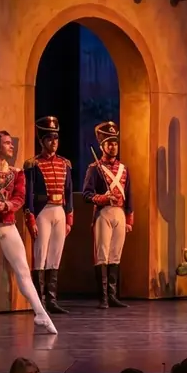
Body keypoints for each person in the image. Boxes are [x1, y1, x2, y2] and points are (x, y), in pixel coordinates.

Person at [0, 131, 57, 337]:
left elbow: (20, 197)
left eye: (11, 143)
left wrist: (6, 205)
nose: (11, 146)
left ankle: (40, 312)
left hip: (8, 226)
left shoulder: (17, 173)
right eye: (7, 143)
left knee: (23, 271)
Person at [23, 116, 73, 315]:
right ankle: (39, 301)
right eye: (50, 138)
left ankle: (52, 299)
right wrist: (30, 217)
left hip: (59, 210)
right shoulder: (32, 164)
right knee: (40, 253)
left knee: (55, 254)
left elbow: (68, 191)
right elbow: (29, 193)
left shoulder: (65, 163)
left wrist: (69, 216)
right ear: (42, 141)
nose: (54, 142)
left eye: (56, 138)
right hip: (42, 210)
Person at [82, 121, 132, 309]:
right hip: (103, 213)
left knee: (116, 255)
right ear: (102, 146)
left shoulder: (123, 169)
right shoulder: (94, 168)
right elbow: (87, 194)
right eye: (109, 143)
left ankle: (113, 296)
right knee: (102, 255)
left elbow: (130, 196)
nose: (113, 146)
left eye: (115, 143)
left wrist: (129, 219)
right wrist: (102, 198)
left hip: (119, 213)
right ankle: (103, 298)